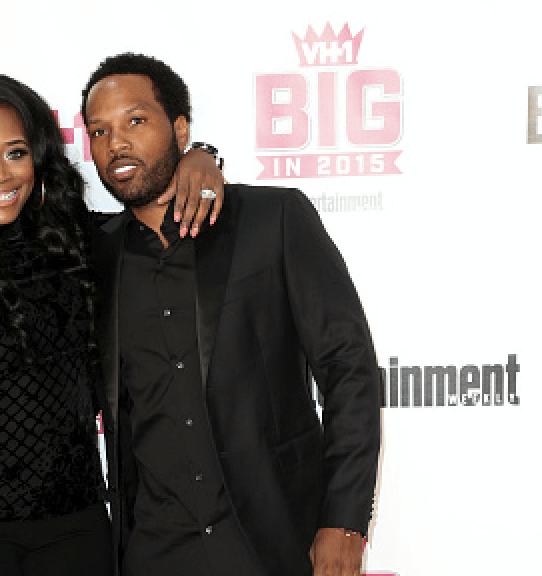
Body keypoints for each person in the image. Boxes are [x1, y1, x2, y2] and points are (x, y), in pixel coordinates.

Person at [0, 73, 225, 576]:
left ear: (38, 157)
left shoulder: (79, 243)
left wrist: (201, 155)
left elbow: (152, 205)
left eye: (14, 153)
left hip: (75, 528)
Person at [81, 53, 382, 576]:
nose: (117, 144)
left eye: (135, 120)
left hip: (272, 539)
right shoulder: (92, 255)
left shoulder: (274, 219)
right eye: (99, 130)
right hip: (152, 552)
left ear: (179, 126)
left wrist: (345, 521)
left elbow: (348, 368)